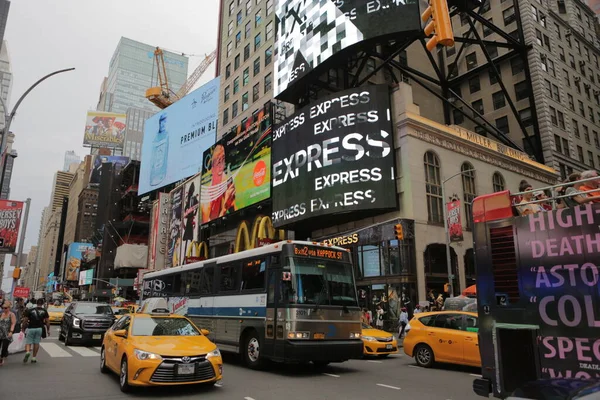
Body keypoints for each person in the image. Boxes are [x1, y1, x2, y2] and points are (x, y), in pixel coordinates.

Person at [201, 144, 237, 223]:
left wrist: (231, 201)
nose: (221, 165)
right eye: (218, 161)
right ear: (212, 169)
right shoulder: (207, 202)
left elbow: (234, 210)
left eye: (223, 160)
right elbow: (207, 231)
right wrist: (225, 208)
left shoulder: (224, 179)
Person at [21, 298, 50, 364]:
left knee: (28, 342)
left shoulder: (30, 310)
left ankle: (28, 352)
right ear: (42, 303)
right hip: (39, 328)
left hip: (31, 328)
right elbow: (47, 322)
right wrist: (48, 330)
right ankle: (34, 358)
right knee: (36, 343)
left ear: (36, 303)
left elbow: (25, 321)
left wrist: (23, 328)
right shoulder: (44, 311)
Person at [0, 301, 17, 366]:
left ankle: (1, 357)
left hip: (7, 333)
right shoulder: (1, 314)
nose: (4, 309)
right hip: (0, 332)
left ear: (9, 308)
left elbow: (13, 323)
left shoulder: (11, 314)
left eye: (5, 308)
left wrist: (11, 331)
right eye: (3, 308)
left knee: (4, 346)